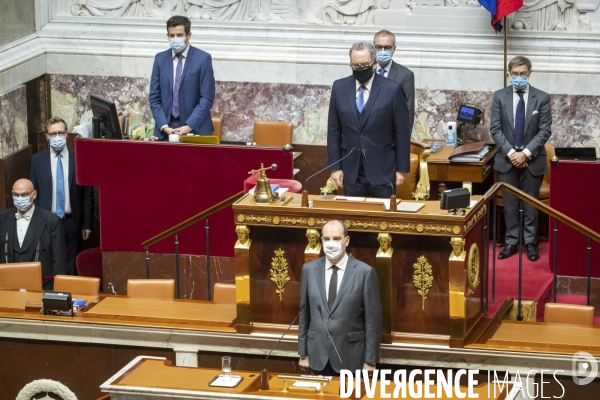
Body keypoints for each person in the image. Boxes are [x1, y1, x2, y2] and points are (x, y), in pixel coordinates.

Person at [327, 42, 411, 198]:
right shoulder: (339, 87)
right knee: (353, 217)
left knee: (382, 218)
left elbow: (402, 132)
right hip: (351, 169)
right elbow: (333, 130)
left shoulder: (392, 89)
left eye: (364, 64)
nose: (360, 68)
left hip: (383, 168)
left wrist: (402, 169)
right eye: (355, 65)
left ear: (374, 63)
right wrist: (335, 167)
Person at [298, 220, 382, 375]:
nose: (331, 243)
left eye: (336, 239)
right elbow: (304, 315)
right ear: (321, 240)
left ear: (346, 241)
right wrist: (303, 354)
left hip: (351, 358)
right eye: (327, 239)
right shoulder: (309, 270)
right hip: (317, 356)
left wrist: (370, 360)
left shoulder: (365, 273)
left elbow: (372, 321)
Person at [490, 56, 551, 262]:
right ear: (509, 73)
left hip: (532, 161)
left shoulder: (541, 97)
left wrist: (524, 154)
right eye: (514, 74)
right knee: (510, 205)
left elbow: (544, 131)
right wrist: (512, 154)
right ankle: (511, 242)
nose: (518, 78)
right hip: (507, 160)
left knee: (531, 204)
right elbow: (495, 130)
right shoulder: (500, 96)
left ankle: (531, 243)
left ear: (530, 73)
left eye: (522, 74)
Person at [30, 117, 94, 276]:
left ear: (67, 134)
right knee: (48, 265)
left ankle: (69, 298)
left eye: (60, 133)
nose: (57, 137)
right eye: (53, 134)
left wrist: (87, 224)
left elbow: (87, 194)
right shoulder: (37, 160)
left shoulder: (79, 158)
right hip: (46, 222)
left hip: (71, 222)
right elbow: (34, 193)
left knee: (70, 267)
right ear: (47, 136)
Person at [149, 15, 215, 141]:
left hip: (195, 128)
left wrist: (189, 126)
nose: (175, 39)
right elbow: (154, 97)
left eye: (179, 35)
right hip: (166, 130)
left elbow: (207, 98)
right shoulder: (160, 59)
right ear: (167, 35)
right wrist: (164, 126)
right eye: (172, 35)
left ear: (188, 35)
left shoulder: (203, 59)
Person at [0, 179, 66, 289]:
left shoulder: (51, 221)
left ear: (34, 194)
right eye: (16, 195)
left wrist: (55, 294)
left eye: (24, 194)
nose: (20, 199)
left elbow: (58, 262)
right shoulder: (2, 218)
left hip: (41, 287)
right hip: (8, 287)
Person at [373, 30, 415, 131]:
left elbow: (408, 112)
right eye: (379, 47)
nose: (383, 51)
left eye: (387, 48)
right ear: (373, 48)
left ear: (394, 49)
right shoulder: (367, 71)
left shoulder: (405, 75)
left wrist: (403, 142)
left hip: (391, 137)